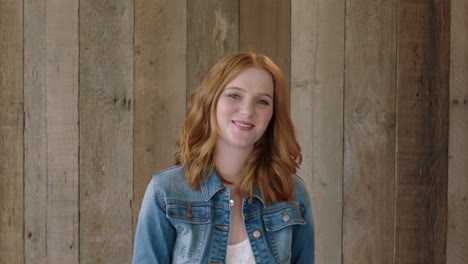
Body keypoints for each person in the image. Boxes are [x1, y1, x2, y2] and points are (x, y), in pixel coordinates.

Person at [132, 52, 315, 264]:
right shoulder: (165, 191)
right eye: (234, 95)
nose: (247, 111)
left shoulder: (293, 194)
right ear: (211, 101)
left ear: (273, 114)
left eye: (262, 101)